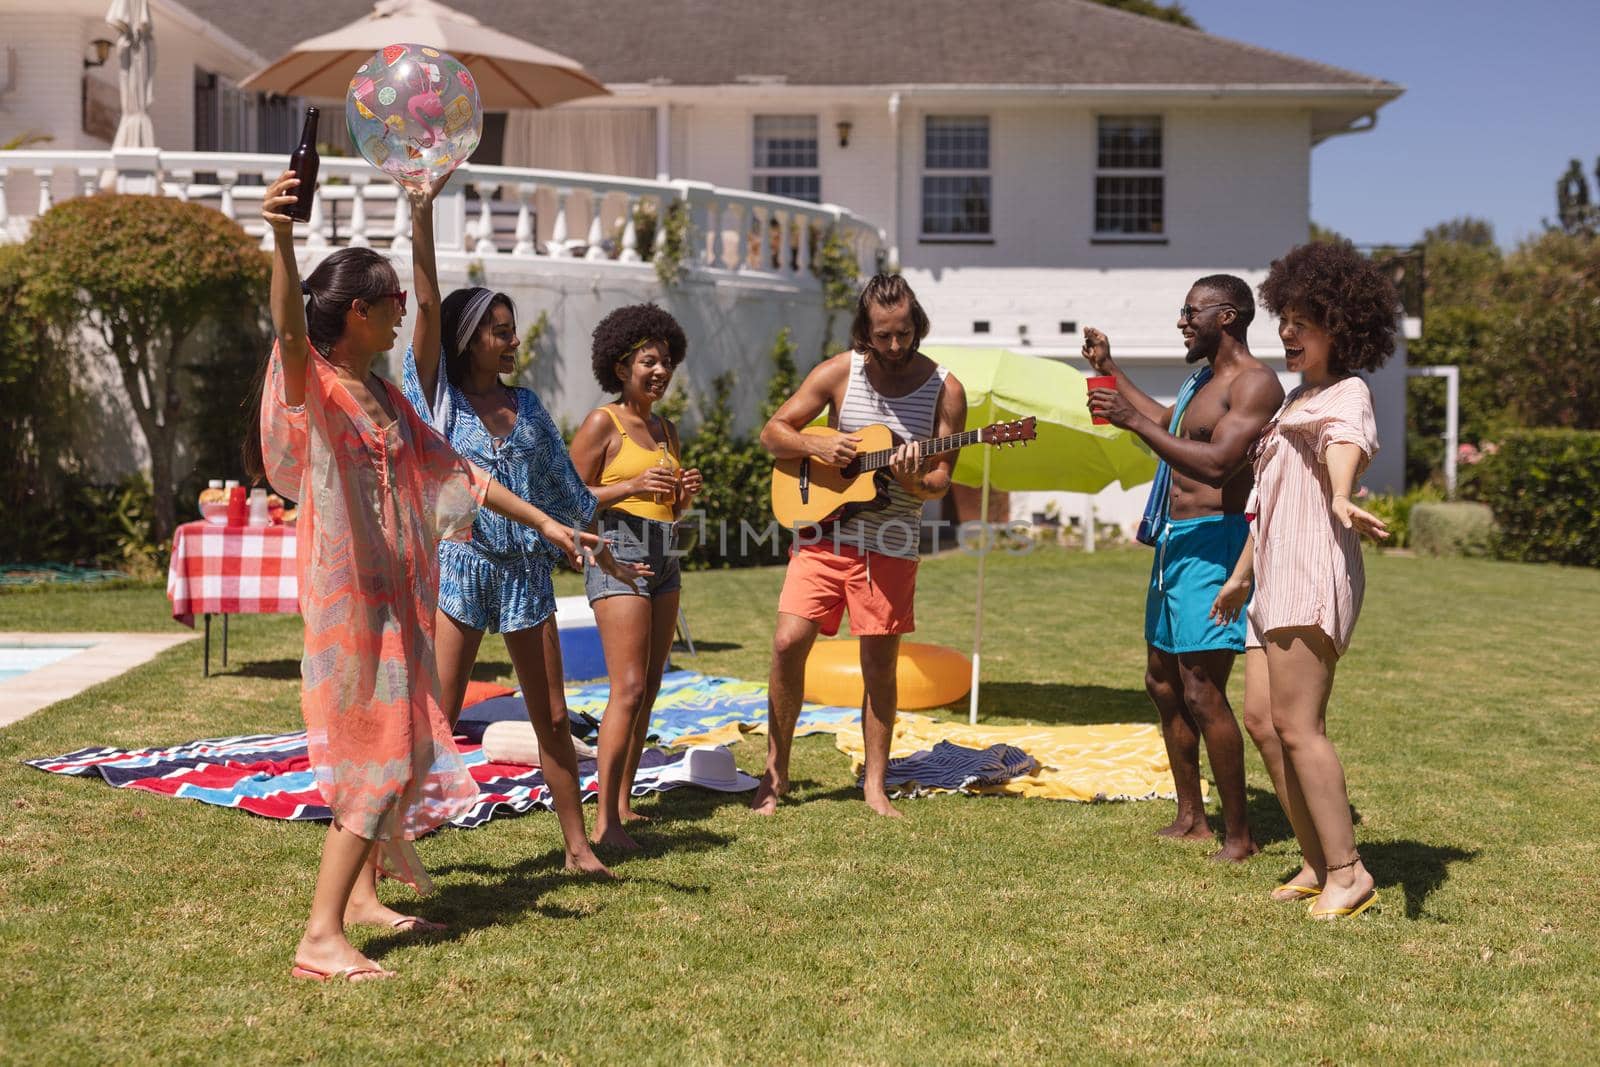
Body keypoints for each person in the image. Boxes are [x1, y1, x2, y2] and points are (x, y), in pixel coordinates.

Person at [249, 171, 626, 982]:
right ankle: (319, 935)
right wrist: (280, 235)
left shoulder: (386, 395)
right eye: (387, 301)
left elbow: (465, 476)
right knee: (378, 753)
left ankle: (356, 901)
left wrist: (554, 524)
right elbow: (286, 332)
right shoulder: (320, 387)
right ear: (358, 312)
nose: (401, 312)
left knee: (407, 742)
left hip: (397, 597)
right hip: (350, 601)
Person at [400, 257, 647, 875]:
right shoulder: (437, 401)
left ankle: (576, 847)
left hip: (524, 576)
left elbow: (568, 496)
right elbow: (427, 307)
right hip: (462, 566)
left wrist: (604, 555)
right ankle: (389, 839)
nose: (513, 340)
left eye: (513, 329)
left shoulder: (529, 407)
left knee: (555, 717)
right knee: (439, 716)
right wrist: (420, 208)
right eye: (500, 330)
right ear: (468, 339)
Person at [1210, 242, 1395, 918]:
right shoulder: (1296, 399)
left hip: (1312, 570)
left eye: (1303, 321)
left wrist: (1343, 494)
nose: (1287, 331)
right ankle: (1317, 859)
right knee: (1263, 719)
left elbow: (1346, 442)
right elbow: (1268, 505)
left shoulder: (1346, 394)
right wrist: (1238, 580)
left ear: (1339, 328)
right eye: (1284, 318)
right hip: (1270, 577)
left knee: (1299, 724)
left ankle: (1350, 870)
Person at [1085, 275, 1284, 862]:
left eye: (1189, 312)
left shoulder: (1255, 384)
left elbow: (1221, 465)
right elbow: (1167, 421)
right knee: (1163, 683)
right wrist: (1110, 369)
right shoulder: (1203, 380)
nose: (1180, 322)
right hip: (1175, 542)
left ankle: (1239, 836)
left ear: (1226, 317)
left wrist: (1133, 422)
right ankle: (1191, 817)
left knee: (1202, 688)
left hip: (1217, 542)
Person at [754, 274, 967, 818]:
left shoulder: (946, 390)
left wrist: (916, 479)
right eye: (883, 336)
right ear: (864, 332)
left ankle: (875, 785)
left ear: (916, 325)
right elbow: (773, 433)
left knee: (879, 667)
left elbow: (942, 480)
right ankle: (773, 778)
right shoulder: (837, 372)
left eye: (904, 333)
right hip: (823, 535)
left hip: (891, 542)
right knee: (786, 644)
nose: (895, 346)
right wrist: (816, 446)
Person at [568, 305, 702, 851]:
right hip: (618, 554)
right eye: (649, 361)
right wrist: (628, 487)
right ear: (621, 366)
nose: (660, 371)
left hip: (663, 554)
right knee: (624, 688)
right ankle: (604, 822)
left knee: (646, 687)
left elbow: (667, 507)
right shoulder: (605, 422)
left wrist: (683, 494)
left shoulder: (666, 429)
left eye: (666, 361)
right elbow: (567, 498)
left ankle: (623, 803)